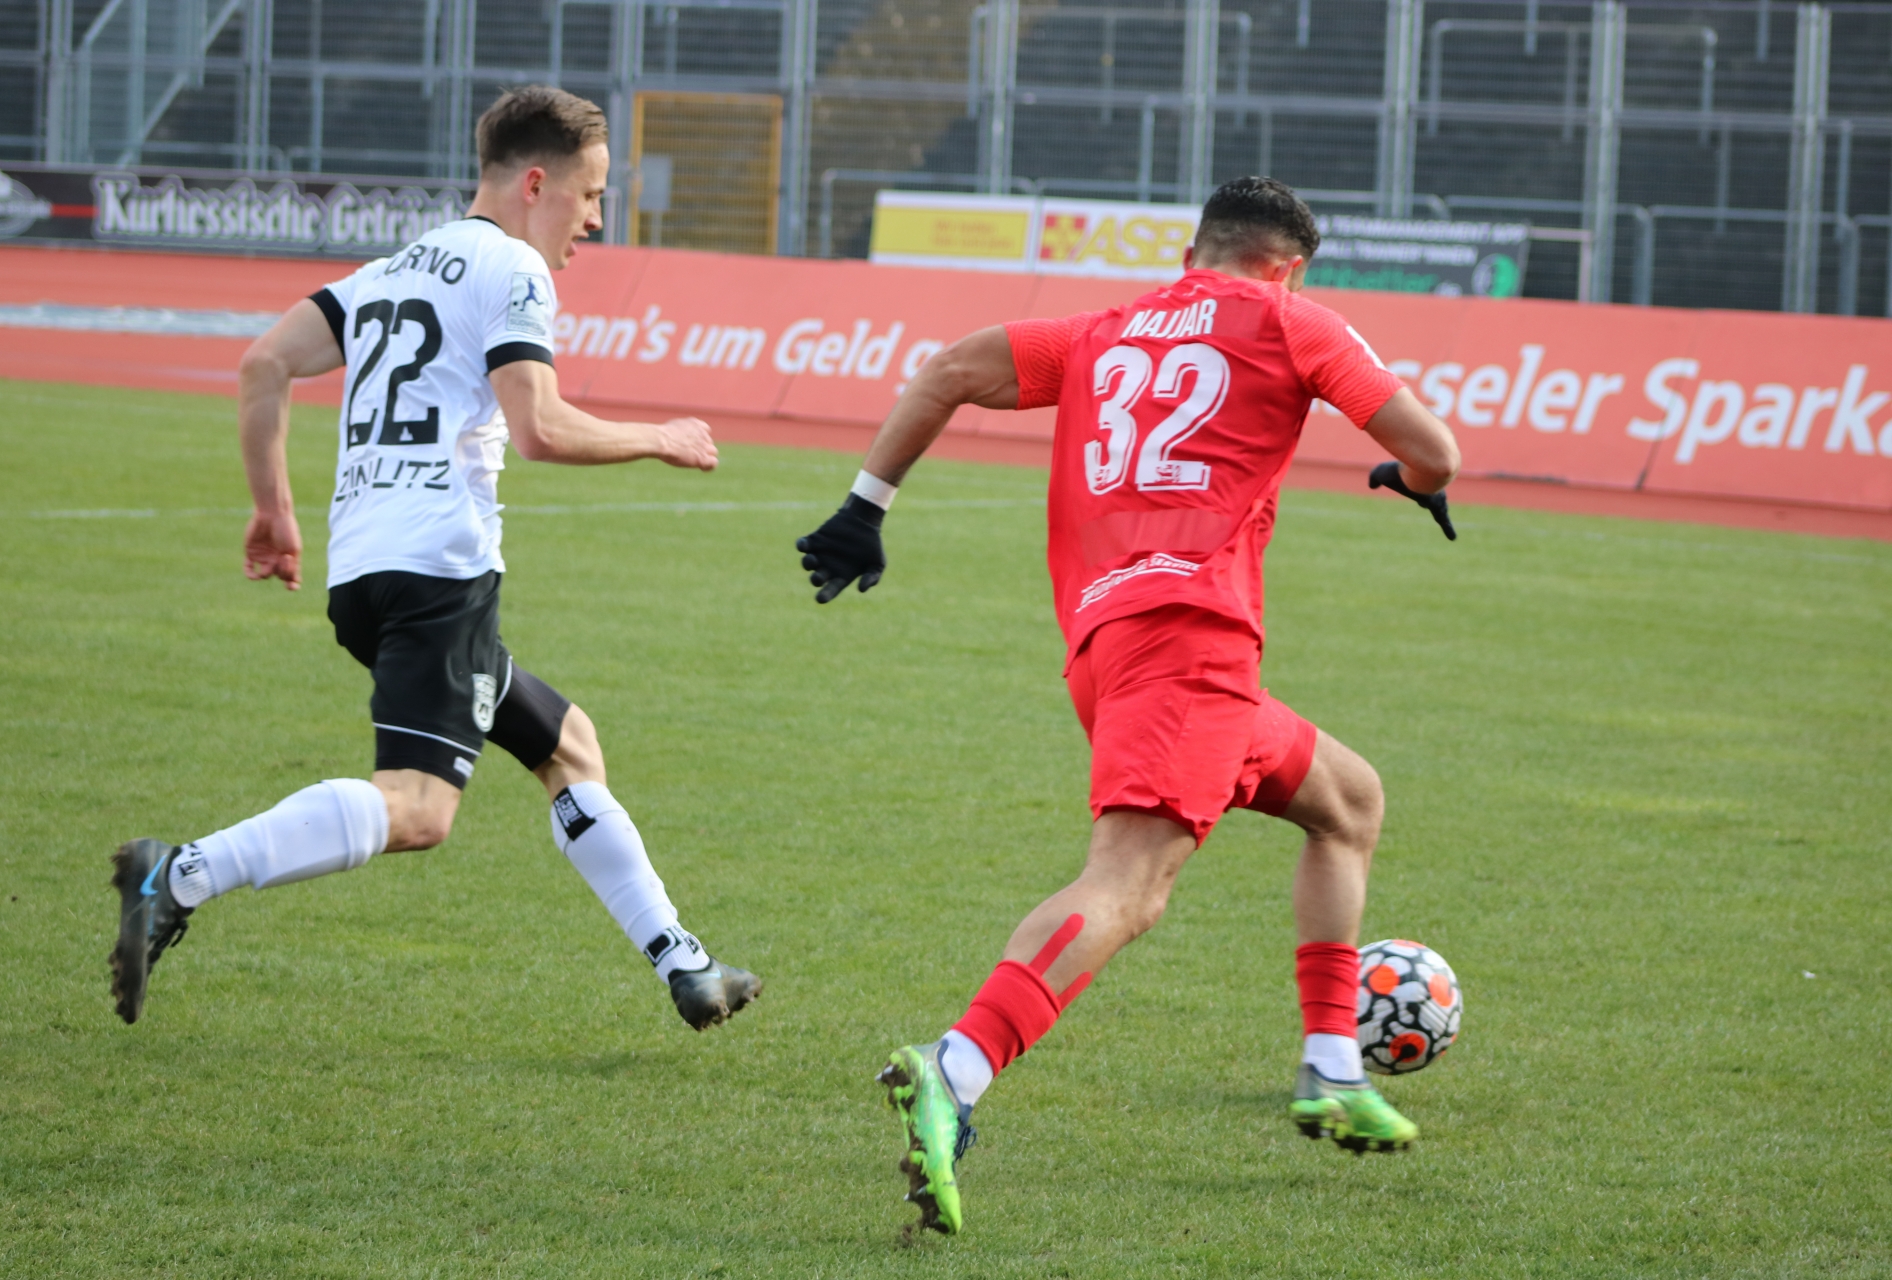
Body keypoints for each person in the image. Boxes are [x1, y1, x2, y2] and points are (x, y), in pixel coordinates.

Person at [795, 177, 1460, 1234]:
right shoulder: (1295, 321)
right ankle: (956, 1068)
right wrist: (1409, 478)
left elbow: (950, 368)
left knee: (1348, 800)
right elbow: (1436, 450)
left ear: (1194, 254)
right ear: (1289, 268)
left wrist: (863, 507)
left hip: (1108, 649)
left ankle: (1332, 1066)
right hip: (1191, 643)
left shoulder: (1100, 331)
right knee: (1130, 884)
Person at [110, 85, 761, 1034]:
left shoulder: (387, 271)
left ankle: (683, 962)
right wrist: (657, 436)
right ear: (535, 183)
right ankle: (178, 875)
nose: (595, 219)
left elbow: (263, 364)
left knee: (567, 744)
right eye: (589, 194)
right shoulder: (513, 266)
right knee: (418, 808)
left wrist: (275, 513)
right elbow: (538, 428)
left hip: (362, 572)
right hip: (437, 571)